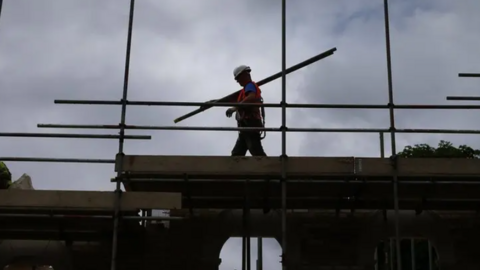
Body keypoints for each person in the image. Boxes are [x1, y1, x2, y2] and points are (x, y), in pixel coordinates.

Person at [226, 65, 267, 156]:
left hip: (250, 124)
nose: (237, 81)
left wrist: (235, 108)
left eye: (238, 78)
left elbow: (251, 97)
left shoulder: (250, 86)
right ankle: (234, 168)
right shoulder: (244, 90)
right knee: (237, 153)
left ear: (244, 75)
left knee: (255, 150)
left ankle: (270, 168)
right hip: (245, 126)